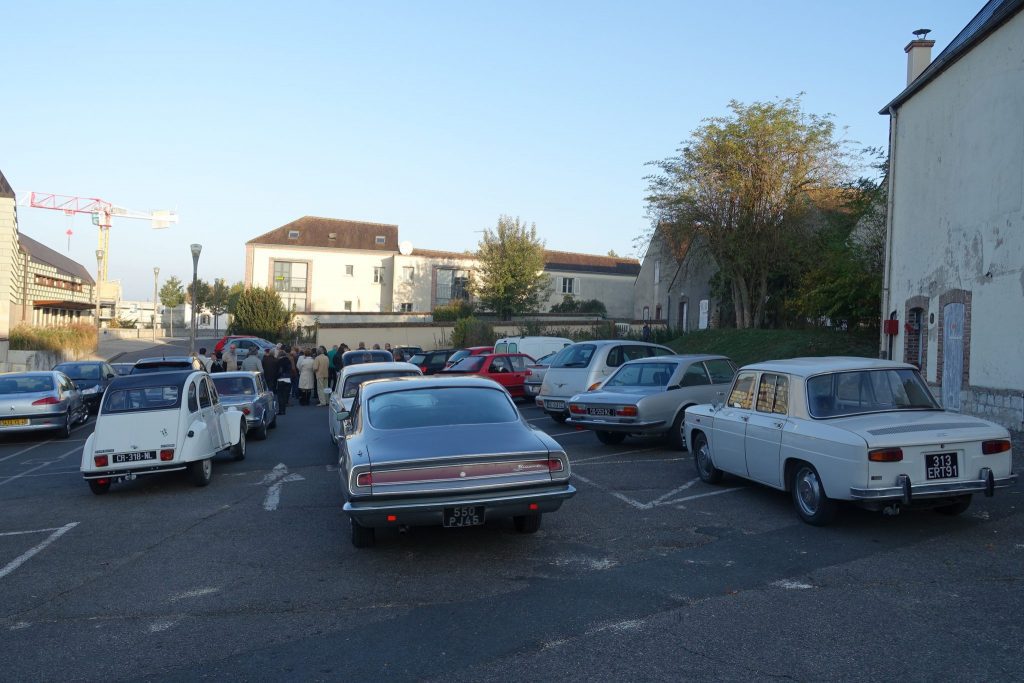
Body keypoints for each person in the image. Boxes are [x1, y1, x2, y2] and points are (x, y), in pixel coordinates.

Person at [275, 349, 292, 414]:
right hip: (288, 379)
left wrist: (277, 376)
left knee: (280, 396)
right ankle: (284, 410)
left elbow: (279, 371)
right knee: (285, 396)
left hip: (281, 379)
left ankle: (280, 410)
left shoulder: (279, 361)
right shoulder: (288, 361)